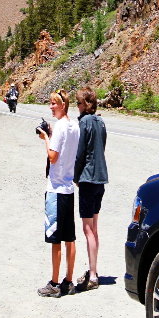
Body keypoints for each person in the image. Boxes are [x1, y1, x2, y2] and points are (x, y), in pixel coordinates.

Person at [38, 90, 80, 298]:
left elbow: (53, 156)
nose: (51, 106)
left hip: (55, 188)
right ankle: (68, 281)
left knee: (55, 238)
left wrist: (46, 137)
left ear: (63, 105)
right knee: (69, 237)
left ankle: (54, 283)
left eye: (54, 103)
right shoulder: (74, 126)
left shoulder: (61, 127)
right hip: (68, 188)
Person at [72, 87, 109, 292]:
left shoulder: (83, 123)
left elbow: (80, 154)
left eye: (78, 103)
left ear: (86, 104)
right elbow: (101, 147)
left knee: (87, 230)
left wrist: (76, 177)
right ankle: (94, 269)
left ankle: (93, 275)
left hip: (87, 179)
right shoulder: (101, 122)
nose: (76, 107)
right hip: (100, 179)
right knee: (94, 227)